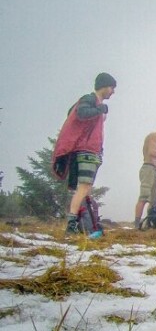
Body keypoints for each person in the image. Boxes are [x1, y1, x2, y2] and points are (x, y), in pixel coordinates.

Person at [52, 73, 116, 234]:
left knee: (85, 188)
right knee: (84, 186)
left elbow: (72, 113)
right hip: (86, 149)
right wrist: (99, 109)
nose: (113, 92)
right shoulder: (89, 99)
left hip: (90, 149)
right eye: (112, 87)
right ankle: (72, 224)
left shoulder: (93, 102)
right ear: (104, 85)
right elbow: (80, 113)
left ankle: (83, 223)